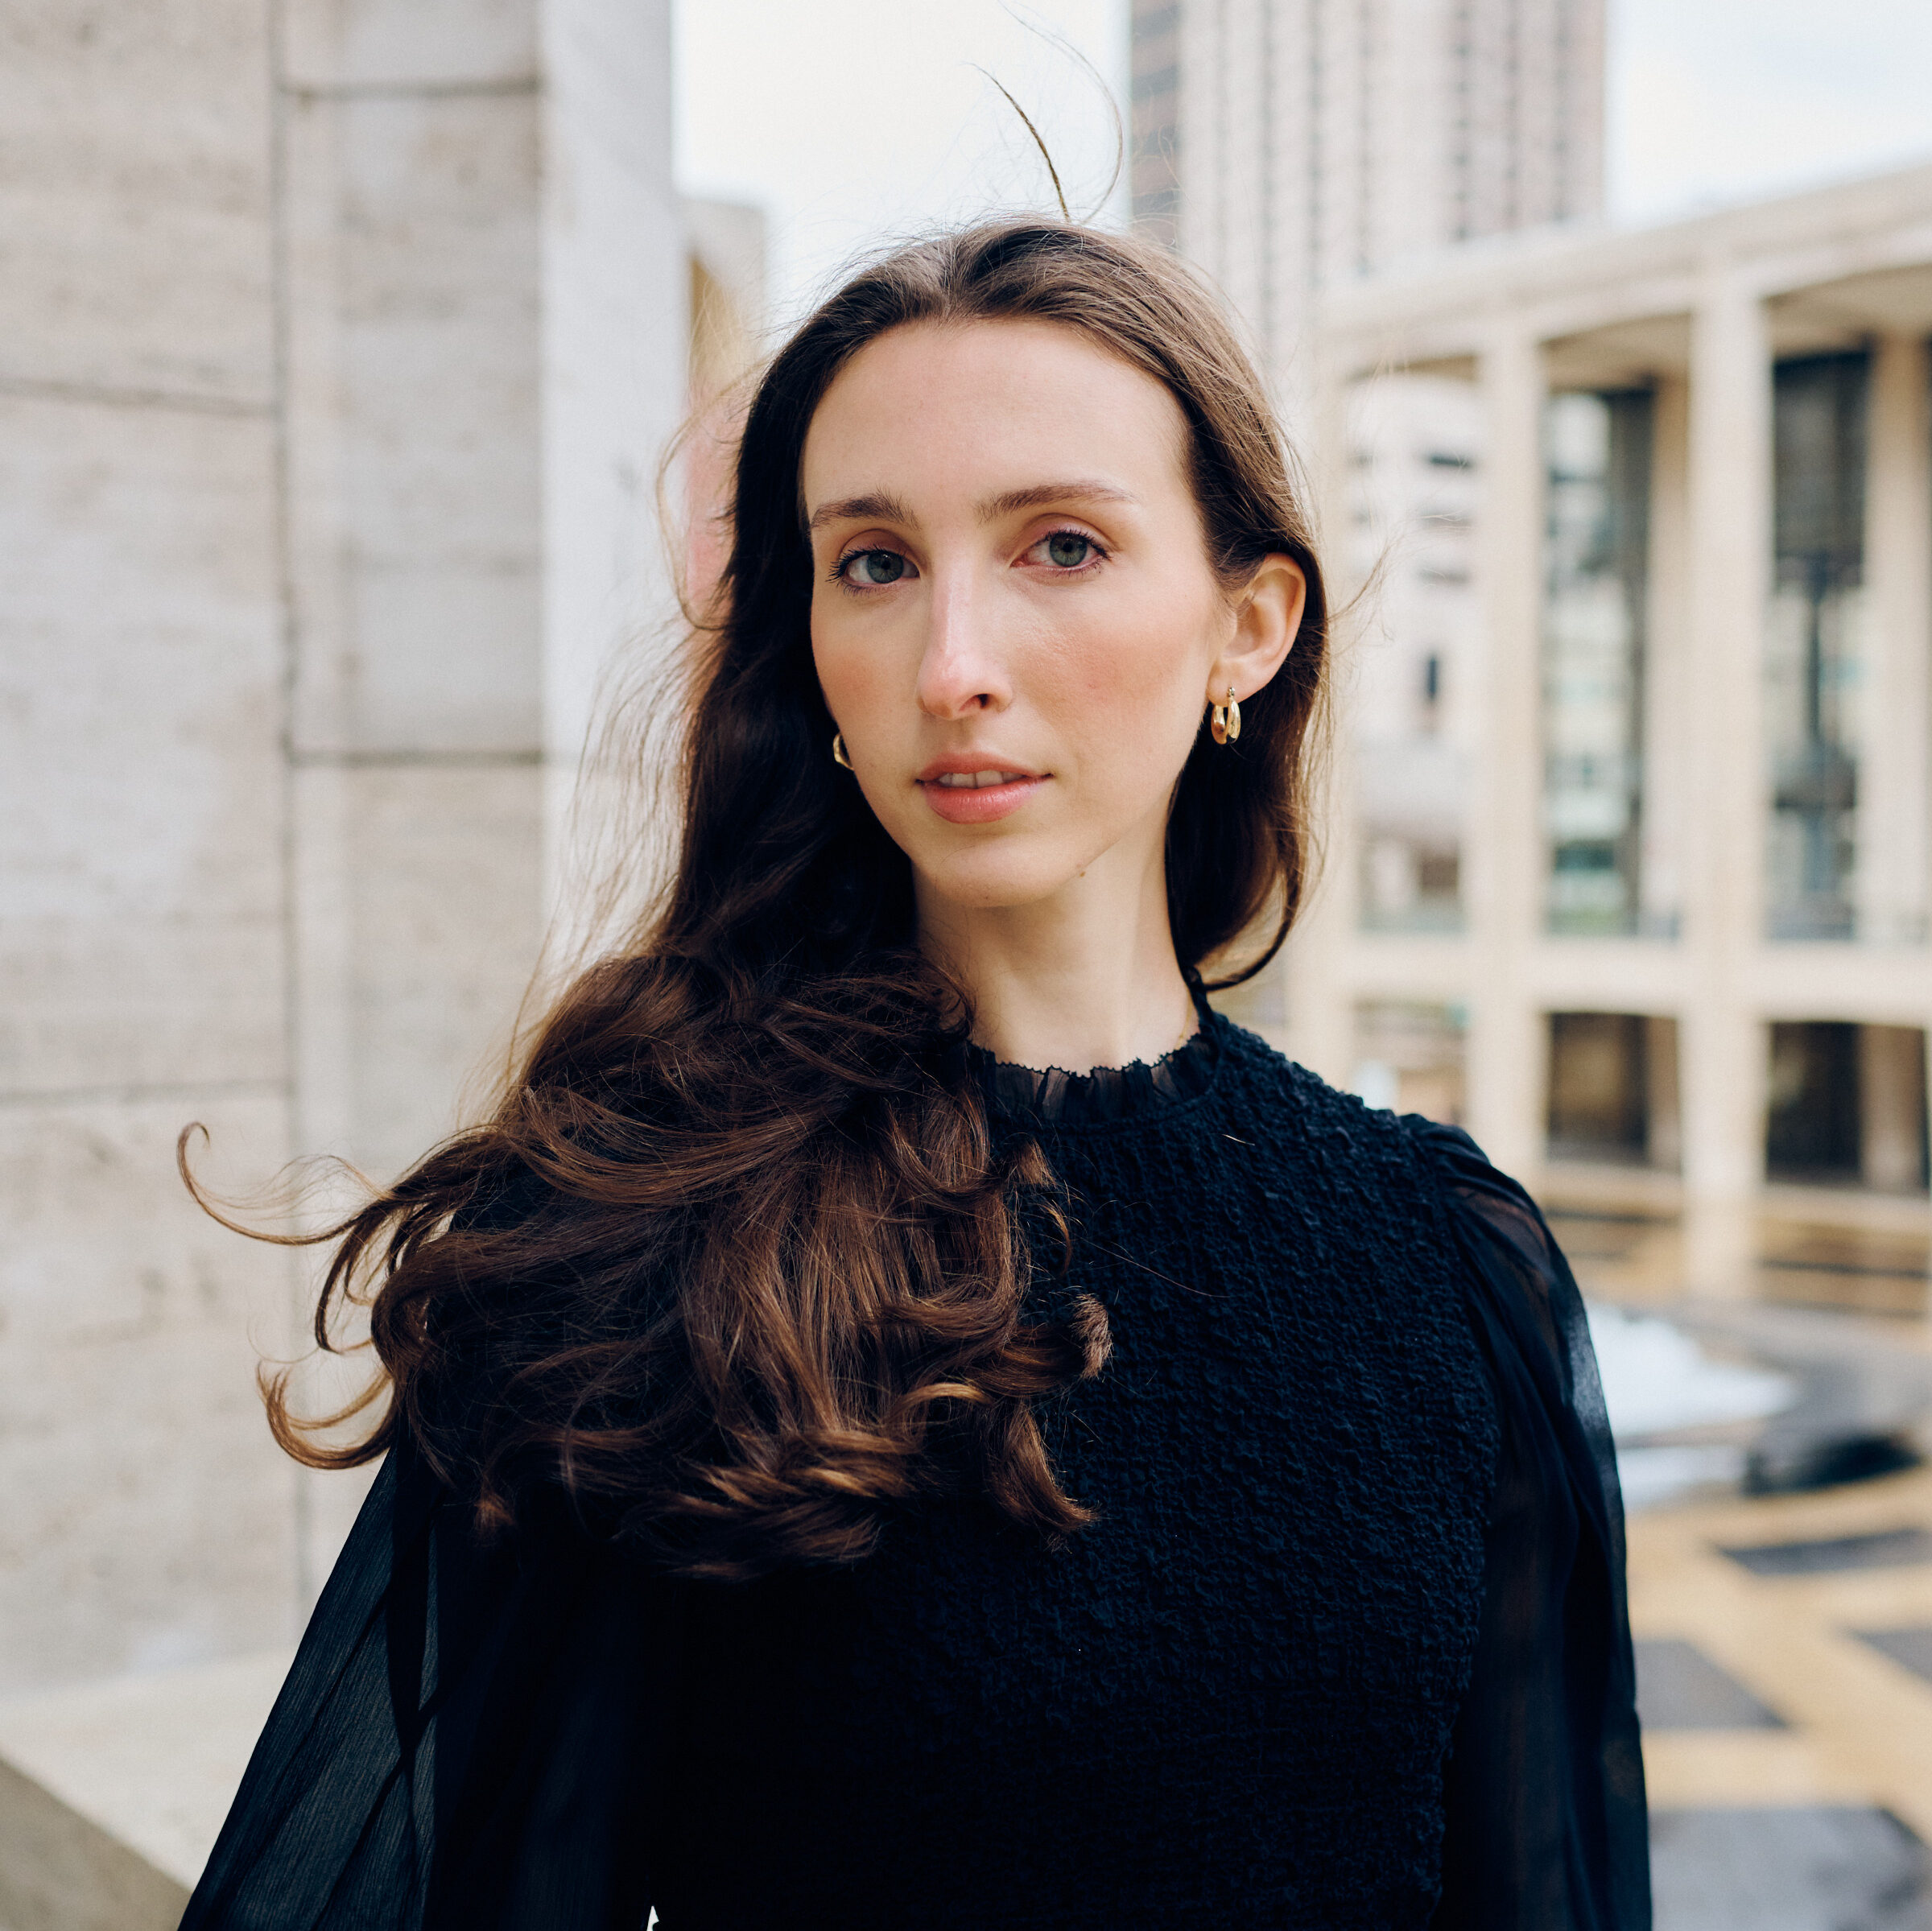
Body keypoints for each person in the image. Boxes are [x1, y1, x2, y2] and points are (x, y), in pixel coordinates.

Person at [180, 221, 1649, 1930]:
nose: (954, 660)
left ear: (1250, 625)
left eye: (1062, 545)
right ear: (806, 646)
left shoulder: (1450, 1261)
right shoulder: (631, 1248)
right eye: (874, 563)